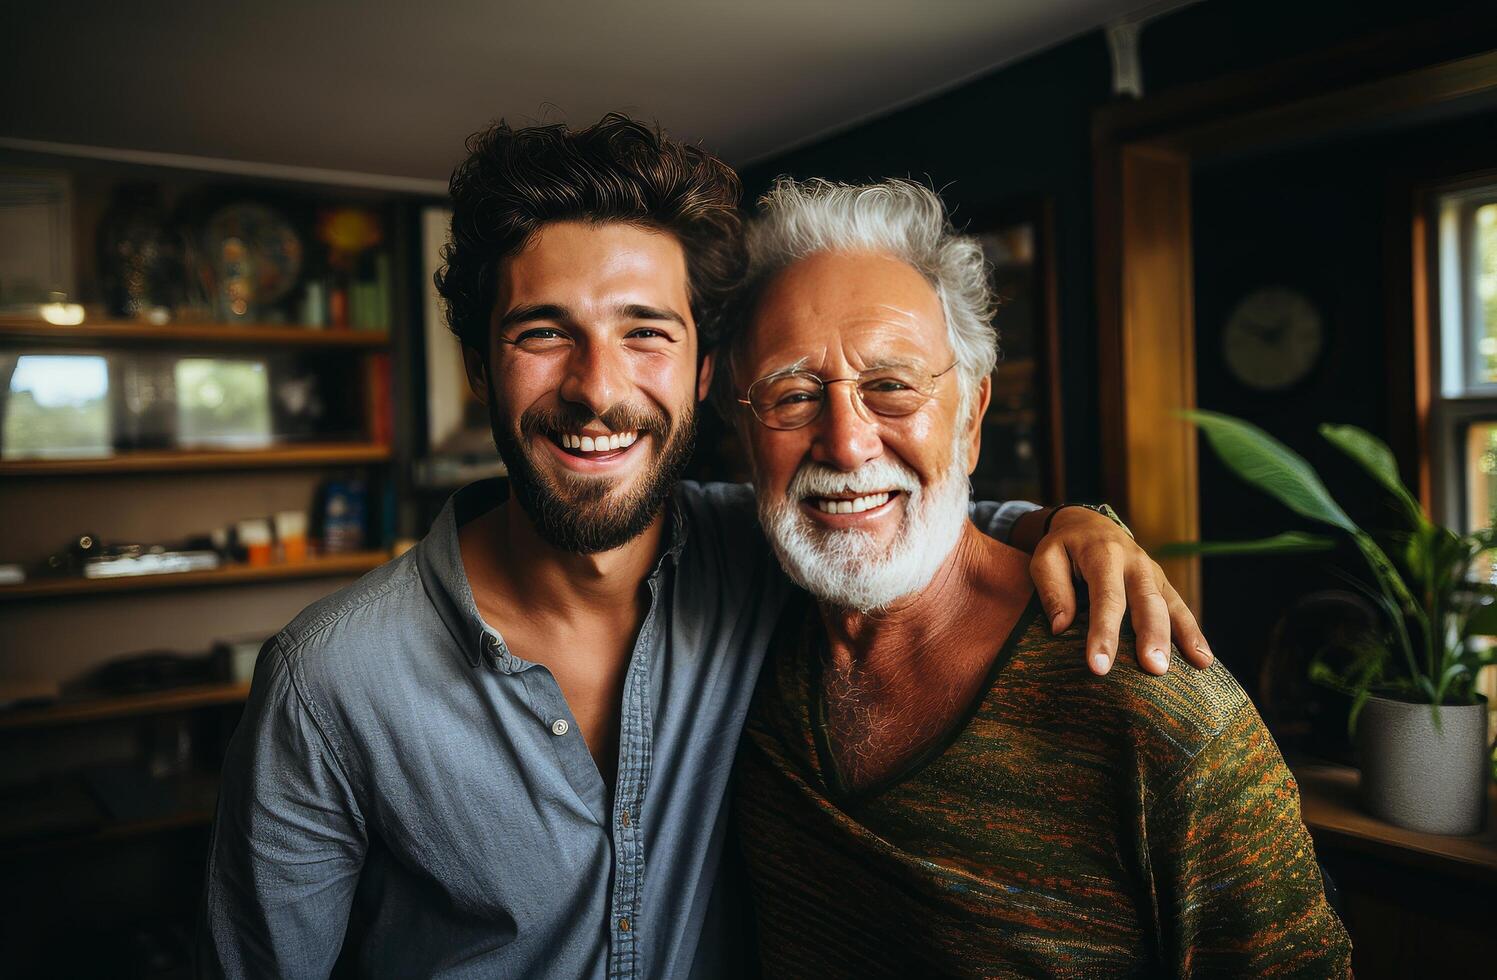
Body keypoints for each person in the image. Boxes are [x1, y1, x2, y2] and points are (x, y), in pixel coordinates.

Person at [198, 116, 1211, 979]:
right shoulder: (331, 677)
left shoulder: (760, 557)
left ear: (702, 369)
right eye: (543, 332)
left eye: (646, 330)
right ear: (479, 363)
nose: (598, 388)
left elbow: (902, 512)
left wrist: (1077, 524)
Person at [728, 177, 1352, 978]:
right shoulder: (745, 639)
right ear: (747, 439)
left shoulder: (1152, 705)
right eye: (793, 394)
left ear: (973, 417)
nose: (845, 443)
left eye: (890, 386)